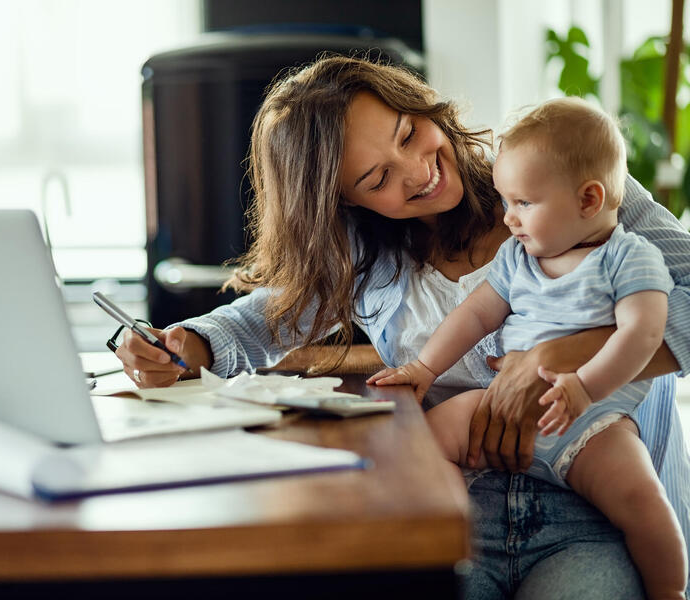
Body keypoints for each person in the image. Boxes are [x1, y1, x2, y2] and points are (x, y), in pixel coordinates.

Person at [114, 55, 690, 598]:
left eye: (409, 133)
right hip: (458, 505)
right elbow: (259, 320)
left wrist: (569, 356)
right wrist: (186, 343)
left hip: (600, 502)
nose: (419, 172)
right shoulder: (367, 256)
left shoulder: (563, 178)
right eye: (377, 178)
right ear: (343, 204)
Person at [367, 96, 686, 599]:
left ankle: (669, 589)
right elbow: (475, 313)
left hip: (592, 421)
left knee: (641, 498)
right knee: (424, 440)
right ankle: (453, 539)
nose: (509, 218)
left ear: (587, 200)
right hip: (499, 403)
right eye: (506, 201)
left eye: (524, 204)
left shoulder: (629, 257)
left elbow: (642, 336)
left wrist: (582, 386)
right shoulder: (518, 258)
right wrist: (425, 367)